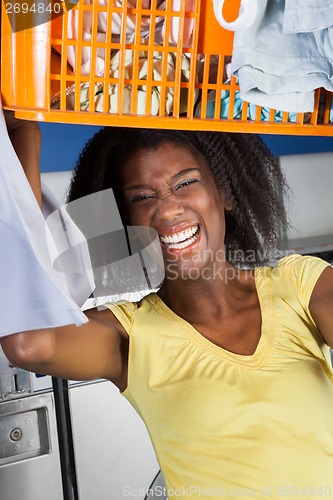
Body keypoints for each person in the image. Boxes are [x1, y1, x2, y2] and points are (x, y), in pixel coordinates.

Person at [1, 122, 333, 499]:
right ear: (128, 225)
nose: (168, 208)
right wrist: (21, 133)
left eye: (185, 183)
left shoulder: (299, 285)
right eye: (142, 197)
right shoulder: (131, 335)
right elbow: (28, 343)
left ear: (224, 192)